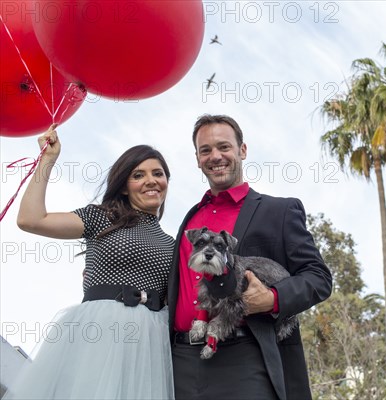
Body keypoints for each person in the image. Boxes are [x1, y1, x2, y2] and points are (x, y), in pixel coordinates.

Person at [167, 114, 332, 400]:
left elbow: (318, 277)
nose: (215, 156)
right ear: (197, 159)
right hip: (179, 361)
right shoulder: (190, 219)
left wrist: (273, 298)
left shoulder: (279, 211)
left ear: (242, 150)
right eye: (205, 150)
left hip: (247, 356)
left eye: (224, 147)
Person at [6, 124, 175, 399]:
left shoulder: (174, 244)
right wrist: (47, 160)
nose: (151, 180)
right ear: (124, 186)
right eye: (138, 175)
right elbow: (31, 220)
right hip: (99, 332)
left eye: (158, 174)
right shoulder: (102, 217)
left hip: (150, 347)